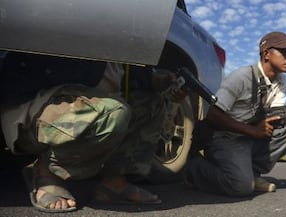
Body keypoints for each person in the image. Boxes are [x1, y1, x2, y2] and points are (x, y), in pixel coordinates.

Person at [0, 51, 186, 212]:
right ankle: (46, 173)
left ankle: (114, 184)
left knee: (151, 101)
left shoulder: (129, 46)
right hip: (32, 106)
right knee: (112, 112)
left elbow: (130, 78)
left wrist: (159, 82)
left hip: (76, 106)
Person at [186, 32, 286, 197]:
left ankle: (252, 174)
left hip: (248, 138)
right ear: (266, 54)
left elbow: (277, 116)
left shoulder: (280, 81)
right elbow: (213, 115)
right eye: (284, 52)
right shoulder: (242, 76)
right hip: (225, 138)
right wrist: (253, 131)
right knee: (241, 187)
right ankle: (194, 169)